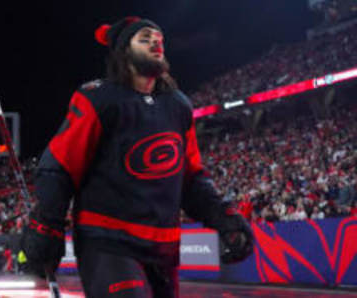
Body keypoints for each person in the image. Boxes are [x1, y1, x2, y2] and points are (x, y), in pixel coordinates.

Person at [21, 16, 253, 297]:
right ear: (123, 51)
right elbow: (59, 165)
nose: (156, 43)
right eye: (145, 38)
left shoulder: (179, 105)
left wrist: (225, 218)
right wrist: (47, 224)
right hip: (108, 242)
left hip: (164, 248)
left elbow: (190, 178)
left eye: (159, 39)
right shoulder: (97, 98)